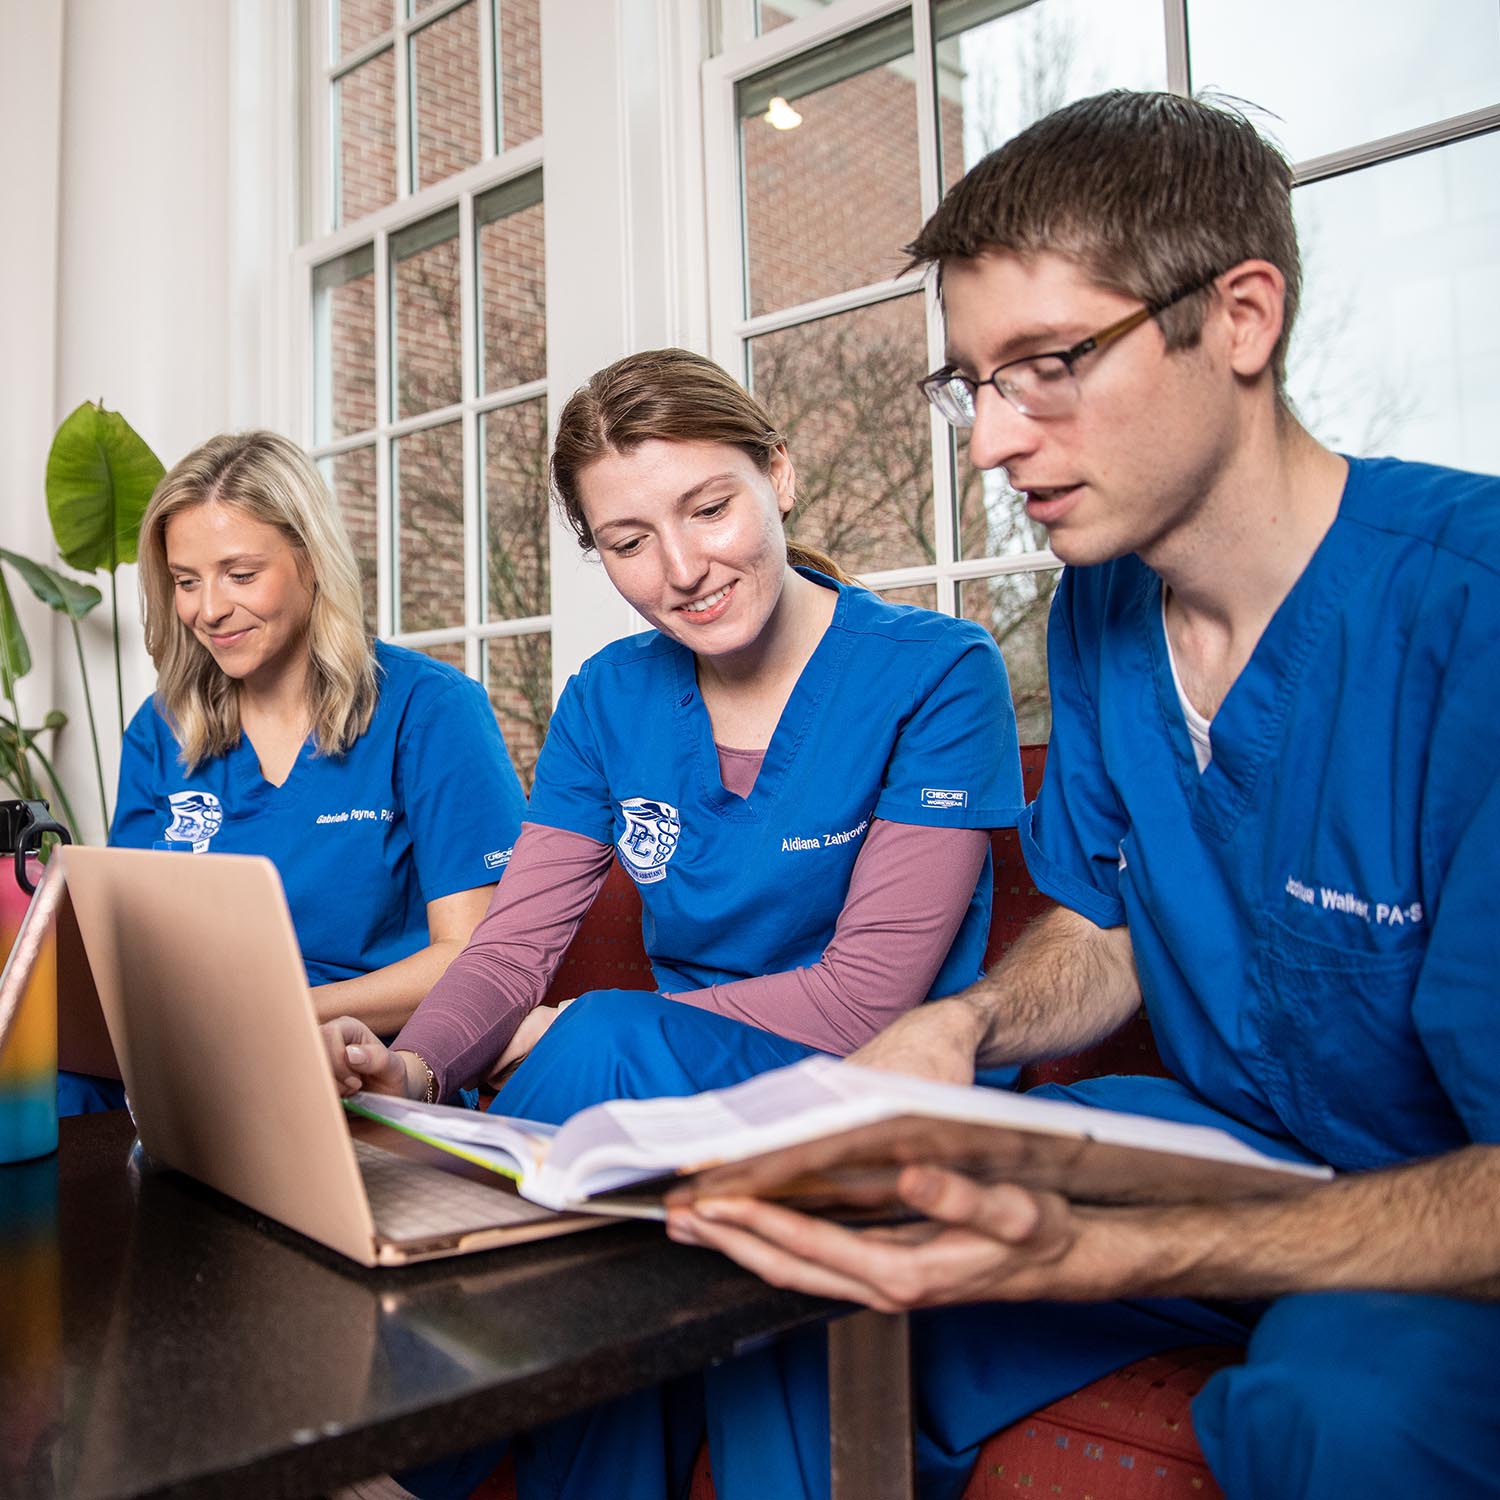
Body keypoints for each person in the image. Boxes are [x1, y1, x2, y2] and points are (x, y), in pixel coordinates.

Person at [667, 91, 1500, 1500]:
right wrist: (968, 1021)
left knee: (1347, 1413)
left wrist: (1125, 1250)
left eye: (1047, 364)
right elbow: (1107, 924)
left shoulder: (1467, 617)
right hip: (1235, 1150)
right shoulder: (1101, 613)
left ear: (1240, 317)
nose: (989, 441)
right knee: (811, 1258)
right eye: (972, 385)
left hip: (1438, 1214)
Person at [322, 348, 1026, 1500]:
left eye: (709, 508)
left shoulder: (940, 673)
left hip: (867, 1097)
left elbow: (867, 996)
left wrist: (591, 1034)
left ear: (779, 478)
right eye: (628, 541)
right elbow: (509, 946)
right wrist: (410, 1065)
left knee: (597, 1043)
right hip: (664, 1118)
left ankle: (390, 1461)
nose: (683, 569)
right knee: (596, 1254)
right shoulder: (610, 695)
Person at [60, 430, 526, 1115]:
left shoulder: (431, 710)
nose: (209, 609)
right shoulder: (162, 728)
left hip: (356, 1055)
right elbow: (129, 943)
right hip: (188, 1045)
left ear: (312, 563)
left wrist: (281, 1013)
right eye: (187, 582)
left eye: (240, 575)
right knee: (38, 1086)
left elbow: (472, 957)